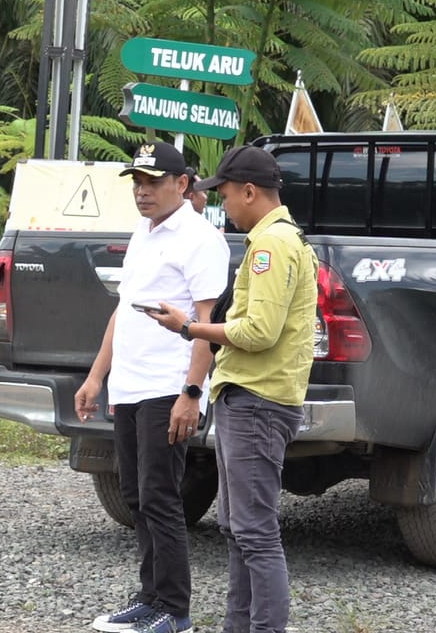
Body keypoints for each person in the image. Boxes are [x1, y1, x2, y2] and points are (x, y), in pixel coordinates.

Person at [148, 144, 317, 633]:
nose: (222, 204)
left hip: (258, 401)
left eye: (223, 194)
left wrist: (189, 328)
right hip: (254, 399)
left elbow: (258, 332)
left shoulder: (270, 246)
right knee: (237, 528)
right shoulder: (283, 239)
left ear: (249, 191)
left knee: (256, 533)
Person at [76, 141, 229, 633]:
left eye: (153, 181)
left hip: (168, 385)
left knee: (161, 496)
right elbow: (124, 310)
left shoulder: (201, 240)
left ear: (181, 184)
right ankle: (149, 597)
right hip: (129, 383)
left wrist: (191, 392)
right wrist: (97, 375)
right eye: (137, 182)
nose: (142, 192)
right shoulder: (143, 232)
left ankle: (175, 611)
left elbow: (207, 323)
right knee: (135, 495)